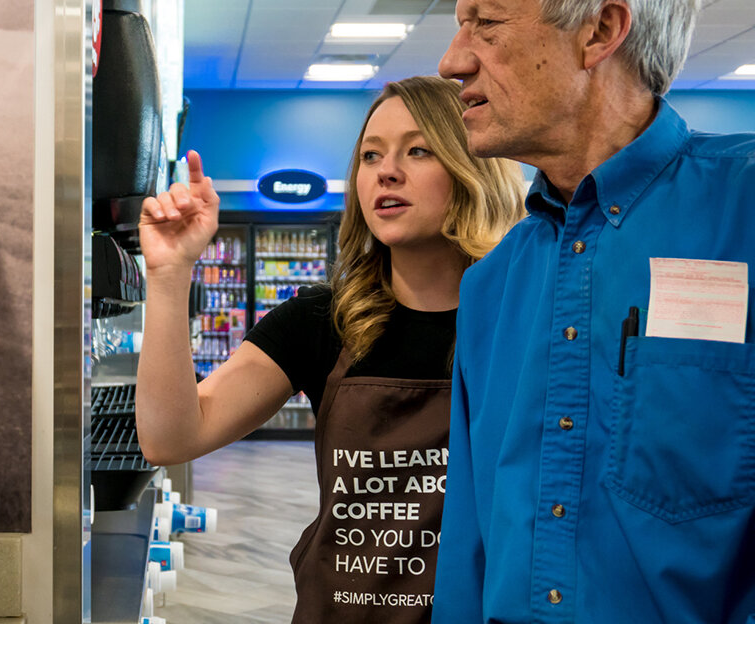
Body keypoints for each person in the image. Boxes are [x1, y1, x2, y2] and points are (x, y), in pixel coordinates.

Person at [431, 0, 755, 624]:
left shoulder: (743, 213)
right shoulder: (492, 285)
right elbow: (469, 545)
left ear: (600, 31)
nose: (453, 61)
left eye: (486, 25)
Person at [135, 75, 526, 623]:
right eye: (370, 155)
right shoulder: (323, 320)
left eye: (418, 150)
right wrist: (171, 275)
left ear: (472, 169)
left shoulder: (526, 319)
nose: (386, 171)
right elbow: (170, 436)